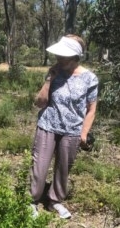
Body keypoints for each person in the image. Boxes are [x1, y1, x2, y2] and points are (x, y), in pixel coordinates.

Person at [30, 34, 99, 218]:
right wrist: (49, 79)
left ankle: (54, 201)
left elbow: (91, 109)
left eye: (63, 57)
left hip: (72, 130)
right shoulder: (54, 72)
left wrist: (84, 133)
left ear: (75, 57)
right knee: (40, 165)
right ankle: (32, 200)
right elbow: (40, 102)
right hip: (48, 125)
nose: (59, 59)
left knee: (63, 168)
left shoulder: (90, 79)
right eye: (58, 56)